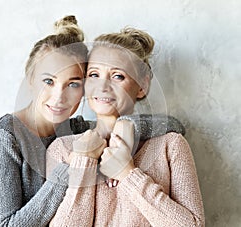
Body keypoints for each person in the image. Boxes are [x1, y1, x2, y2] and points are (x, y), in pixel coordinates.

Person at [0, 15, 185, 226]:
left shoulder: (71, 129)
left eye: (73, 84)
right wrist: (71, 166)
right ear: (30, 80)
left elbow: (175, 125)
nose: (59, 97)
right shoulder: (5, 138)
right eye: (48, 81)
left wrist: (130, 125)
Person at [46, 27, 205, 226]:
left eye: (118, 76)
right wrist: (83, 162)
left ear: (142, 86)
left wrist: (128, 174)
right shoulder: (62, 148)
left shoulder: (170, 145)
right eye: (94, 74)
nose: (102, 86)